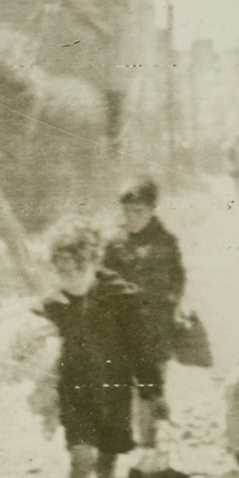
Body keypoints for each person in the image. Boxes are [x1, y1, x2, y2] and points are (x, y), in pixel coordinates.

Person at [35, 217, 162, 478]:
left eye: (76, 268)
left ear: (92, 262)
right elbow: (39, 347)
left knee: (106, 467)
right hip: (76, 394)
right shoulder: (53, 305)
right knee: (80, 460)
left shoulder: (120, 298)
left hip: (114, 393)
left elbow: (141, 348)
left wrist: (152, 390)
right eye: (61, 270)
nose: (69, 276)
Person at [103, 177, 186, 447]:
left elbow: (178, 276)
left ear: (152, 209)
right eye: (127, 211)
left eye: (138, 211)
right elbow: (103, 278)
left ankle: (148, 443)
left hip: (156, 328)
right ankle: (126, 434)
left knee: (149, 385)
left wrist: (172, 301)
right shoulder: (115, 243)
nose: (132, 217)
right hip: (123, 325)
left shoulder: (166, 242)